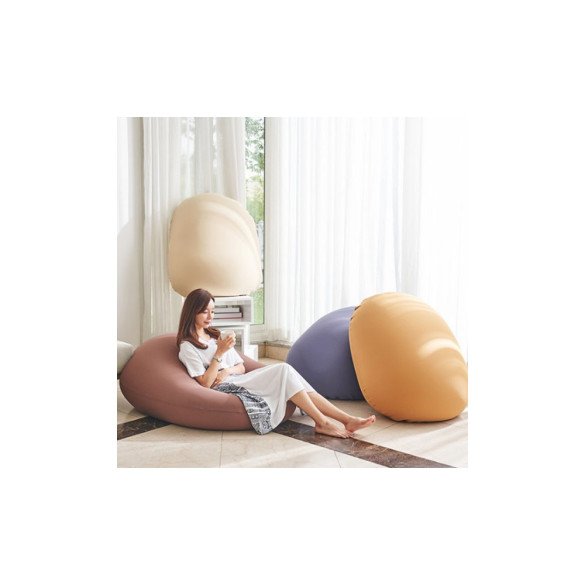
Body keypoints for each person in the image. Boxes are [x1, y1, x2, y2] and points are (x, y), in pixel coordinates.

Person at [177, 288, 376, 438]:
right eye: (204, 312)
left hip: (236, 377)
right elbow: (205, 383)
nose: (210, 317)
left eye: (213, 311)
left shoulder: (216, 336)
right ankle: (323, 422)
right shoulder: (188, 346)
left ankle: (346, 420)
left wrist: (227, 370)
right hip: (226, 387)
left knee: (287, 372)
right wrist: (219, 353)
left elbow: (241, 367)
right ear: (192, 312)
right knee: (284, 370)